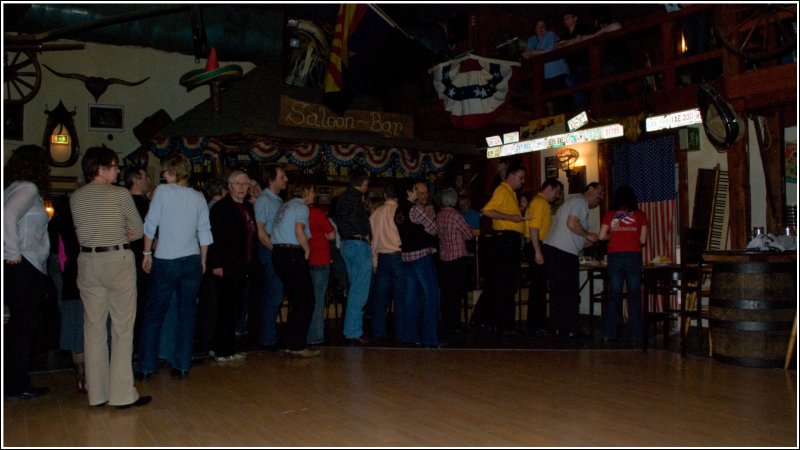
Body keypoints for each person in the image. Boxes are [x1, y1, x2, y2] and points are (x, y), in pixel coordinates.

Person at [70, 145, 150, 409]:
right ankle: (122, 395)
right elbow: (138, 230)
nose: (117, 171)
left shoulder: (76, 197)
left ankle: (98, 394)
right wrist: (123, 231)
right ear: (101, 168)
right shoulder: (120, 194)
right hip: (116, 259)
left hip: (87, 261)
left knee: (93, 329)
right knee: (122, 328)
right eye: (115, 166)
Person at [136, 154, 212, 380]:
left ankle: (147, 367)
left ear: (173, 172)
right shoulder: (199, 196)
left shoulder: (163, 192)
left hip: (167, 259)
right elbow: (205, 232)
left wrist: (147, 252)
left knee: (154, 314)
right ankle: (181, 366)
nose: (163, 176)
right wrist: (203, 260)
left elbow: (151, 223)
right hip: (192, 260)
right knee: (187, 315)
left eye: (166, 172)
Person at [3, 144, 51, 401]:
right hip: (23, 264)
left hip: (18, 264)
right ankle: (16, 384)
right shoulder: (28, 189)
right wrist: (12, 252)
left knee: (15, 328)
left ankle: (13, 381)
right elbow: (7, 215)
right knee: (22, 328)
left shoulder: (11, 187)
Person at [207, 170, 260, 362]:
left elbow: (251, 237)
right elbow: (213, 238)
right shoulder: (221, 208)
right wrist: (216, 264)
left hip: (242, 266)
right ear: (229, 186)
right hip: (225, 266)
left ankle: (226, 347)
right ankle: (221, 349)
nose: (241, 188)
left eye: (245, 185)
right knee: (225, 308)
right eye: (237, 184)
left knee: (235, 308)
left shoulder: (248, 207)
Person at [543, 182, 605, 340]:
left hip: (554, 249)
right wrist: (589, 235)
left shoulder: (572, 202)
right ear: (590, 189)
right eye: (600, 193)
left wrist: (585, 240)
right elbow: (572, 224)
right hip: (563, 252)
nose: (601, 197)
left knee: (559, 292)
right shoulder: (580, 201)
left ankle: (558, 327)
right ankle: (571, 329)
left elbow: (571, 230)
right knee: (570, 293)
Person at [471, 162, 527, 335]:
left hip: (507, 241)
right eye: (521, 178)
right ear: (511, 176)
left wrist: (520, 210)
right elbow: (486, 211)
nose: (523, 182)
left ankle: (484, 319)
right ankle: (504, 324)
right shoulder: (503, 190)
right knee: (506, 284)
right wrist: (512, 217)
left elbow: (509, 217)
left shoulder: (510, 193)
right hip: (505, 241)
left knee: (498, 283)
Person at [271, 182, 320, 357]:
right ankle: (298, 345)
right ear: (305, 191)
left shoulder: (285, 206)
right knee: (306, 299)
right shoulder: (301, 207)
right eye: (313, 190)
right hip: (292, 253)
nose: (315, 194)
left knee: (297, 299)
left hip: (278, 253)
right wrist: (307, 249)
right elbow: (299, 230)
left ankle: (290, 342)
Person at [598, 185, 648, 345]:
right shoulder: (640, 215)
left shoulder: (611, 215)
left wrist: (614, 235)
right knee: (634, 296)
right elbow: (642, 240)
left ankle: (608, 333)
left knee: (614, 294)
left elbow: (601, 236)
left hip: (615, 256)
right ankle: (635, 335)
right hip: (633, 256)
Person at [48, 195, 86, 394]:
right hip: (85, 277)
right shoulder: (81, 223)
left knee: (73, 327)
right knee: (91, 326)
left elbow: (59, 259)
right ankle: (89, 375)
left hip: (71, 279)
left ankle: (80, 376)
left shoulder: (58, 223)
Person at [396, 179, 441, 347]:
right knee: (432, 295)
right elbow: (433, 228)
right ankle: (429, 337)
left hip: (406, 256)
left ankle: (409, 335)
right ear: (409, 192)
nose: (416, 192)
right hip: (421, 256)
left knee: (411, 297)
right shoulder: (415, 209)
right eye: (414, 190)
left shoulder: (398, 211)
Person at [333, 171, 373, 346]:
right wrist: (365, 232)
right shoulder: (357, 199)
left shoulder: (342, 199)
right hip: (358, 244)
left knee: (353, 288)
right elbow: (358, 221)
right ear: (363, 183)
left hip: (346, 245)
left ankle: (350, 329)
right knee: (359, 291)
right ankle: (353, 331)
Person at [253, 165, 288, 350]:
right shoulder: (264, 200)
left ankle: (270, 336)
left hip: (276, 250)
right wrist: (276, 250)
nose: (286, 180)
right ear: (272, 179)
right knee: (273, 293)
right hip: (270, 251)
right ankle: (267, 338)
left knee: (276, 293)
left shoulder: (277, 200)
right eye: (282, 177)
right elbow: (260, 231)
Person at [523, 178, 563, 335]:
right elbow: (534, 229)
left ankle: (536, 322)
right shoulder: (540, 203)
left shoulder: (538, 202)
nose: (558, 196)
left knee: (538, 286)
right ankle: (536, 323)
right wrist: (538, 251)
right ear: (549, 188)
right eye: (557, 192)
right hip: (537, 245)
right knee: (538, 287)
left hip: (536, 245)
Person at [436, 187, 475, 339]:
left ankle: (447, 323)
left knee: (446, 293)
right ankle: (455, 325)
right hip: (458, 258)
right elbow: (469, 234)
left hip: (444, 258)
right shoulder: (456, 216)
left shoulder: (439, 215)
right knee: (456, 293)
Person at [368, 180, 405, 344]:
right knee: (400, 298)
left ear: (384, 195)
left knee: (380, 299)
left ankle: (378, 332)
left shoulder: (375, 214)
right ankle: (400, 332)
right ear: (398, 196)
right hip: (397, 256)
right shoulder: (400, 212)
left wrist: (374, 262)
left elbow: (372, 241)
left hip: (382, 257)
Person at [123, 166, 151, 356]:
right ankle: (136, 346)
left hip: (132, 258)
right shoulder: (137, 204)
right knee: (139, 303)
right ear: (136, 180)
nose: (148, 179)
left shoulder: (127, 202)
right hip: (139, 258)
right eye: (145, 176)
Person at [306, 189, 336, 346]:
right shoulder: (317, 213)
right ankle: (315, 335)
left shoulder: (297, 212)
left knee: (306, 299)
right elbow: (332, 234)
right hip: (320, 259)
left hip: (306, 260)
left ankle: (306, 334)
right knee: (317, 300)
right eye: (312, 191)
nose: (315, 194)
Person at [522, 19, 570, 114]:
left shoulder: (550, 35)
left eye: (543, 26)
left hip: (557, 71)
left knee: (560, 98)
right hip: (543, 75)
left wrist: (533, 53)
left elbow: (550, 49)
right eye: (539, 26)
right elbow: (526, 54)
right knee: (546, 98)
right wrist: (531, 53)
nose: (541, 28)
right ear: (535, 29)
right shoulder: (532, 39)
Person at [559, 11, 598, 109]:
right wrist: (574, 41)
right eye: (564, 19)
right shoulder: (565, 35)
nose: (565, 20)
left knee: (573, 80)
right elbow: (557, 45)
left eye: (568, 17)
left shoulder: (583, 29)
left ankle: (583, 108)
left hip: (586, 65)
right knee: (572, 82)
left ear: (575, 18)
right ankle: (584, 107)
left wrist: (569, 42)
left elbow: (588, 37)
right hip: (573, 67)